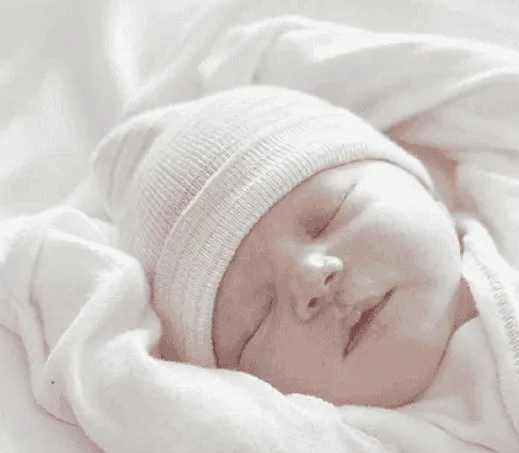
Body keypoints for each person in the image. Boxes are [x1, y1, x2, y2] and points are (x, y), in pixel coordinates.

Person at [96, 84, 479, 409]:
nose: (311, 277)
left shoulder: (511, 193)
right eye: (258, 319)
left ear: (412, 177)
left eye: (331, 215)